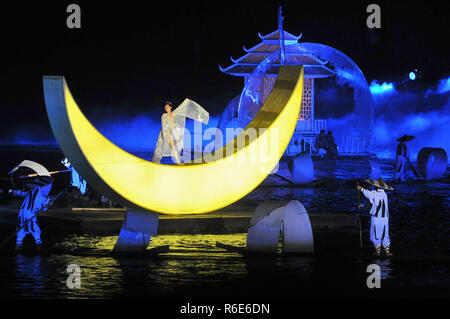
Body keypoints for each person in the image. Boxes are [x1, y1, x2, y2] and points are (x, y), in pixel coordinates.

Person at [11, 174, 53, 252]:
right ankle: (22, 246)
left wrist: (47, 204)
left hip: (26, 212)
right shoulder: (36, 190)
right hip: (27, 212)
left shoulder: (40, 194)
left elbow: (42, 209)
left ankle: (20, 246)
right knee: (31, 228)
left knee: (29, 228)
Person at [357, 177, 393, 256]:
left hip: (377, 218)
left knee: (376, 233)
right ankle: (387, 252)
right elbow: (374, 203)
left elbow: (370, 195)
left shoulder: (375, 193)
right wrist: (363, 205)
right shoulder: (384, 195)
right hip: (385, 218)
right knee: (384, 233)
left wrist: (361, 189)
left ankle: (378, 252)